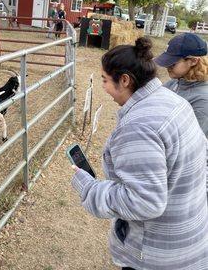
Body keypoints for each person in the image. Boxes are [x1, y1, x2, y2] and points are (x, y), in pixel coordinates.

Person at [71, 37, 208, 270]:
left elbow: (145, 202)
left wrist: (89, 187)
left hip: (157, 256)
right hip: (185, 240)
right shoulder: (174, 101)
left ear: (124, 80)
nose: (103, 87)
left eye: (105, 80)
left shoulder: (139, 126)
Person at [154, 33, 208, 136]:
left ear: (193, 61)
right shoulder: (175, 83)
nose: (167, 66)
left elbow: (193, 143)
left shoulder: (203, 101)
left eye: (173, 63)